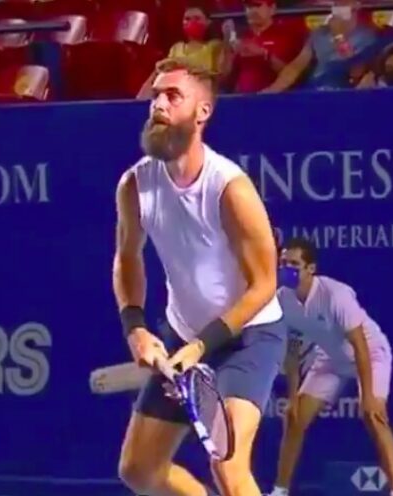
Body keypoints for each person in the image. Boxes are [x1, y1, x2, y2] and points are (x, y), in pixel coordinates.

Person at [113, 56, 287, 496]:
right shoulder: (134, 185)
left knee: (229, 466)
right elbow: (128, 259)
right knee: (138, 469)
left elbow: (264, 285)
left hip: (249, 336)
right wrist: (136, 328)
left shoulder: (230, 188)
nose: (159, 104)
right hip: (183, 334)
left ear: (202, 112)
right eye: (156, 95)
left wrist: (199, 347)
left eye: (173, 96)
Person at [268, 237, 393, 496]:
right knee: (294, 418)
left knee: (374, 416)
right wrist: (293, 397)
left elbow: (360, 346)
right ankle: (279, 491)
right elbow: (293, 351)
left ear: (311, 269)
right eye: (283, 263)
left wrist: (368, 397)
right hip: (330, 358)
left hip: (370, 354)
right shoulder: (282, 299)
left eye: (294, 264)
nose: (286, 269)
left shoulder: (334, 295)